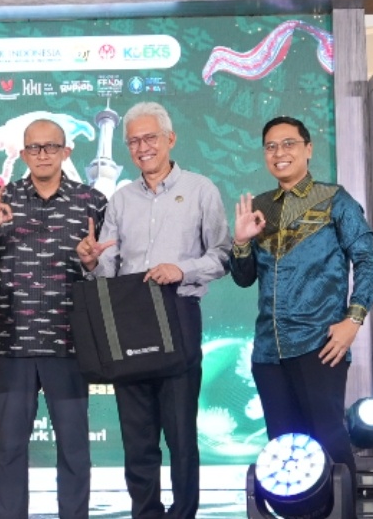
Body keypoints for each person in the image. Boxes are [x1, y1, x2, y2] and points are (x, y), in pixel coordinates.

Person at [77, 102, 231, 519]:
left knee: (180, 433)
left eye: (150, 138)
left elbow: (222, 255)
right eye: (133, 141)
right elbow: (108, 269)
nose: (142, 147)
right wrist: (91, 262)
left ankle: (183, 513)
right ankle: (145, 513)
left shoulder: (200, 190)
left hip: (178, 313)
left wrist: (182, 269)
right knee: (137, 436)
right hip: (129, 321)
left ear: (170, 139)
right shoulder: (121, 199)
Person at [229, 116, 373, 492]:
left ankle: (342, 514)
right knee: (284, 454)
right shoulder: (260, 207)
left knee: (329, 443)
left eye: (289, 144)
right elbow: (244, 278)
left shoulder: (335, 199)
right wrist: (241, 241)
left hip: (320, 343)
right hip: (268, 351)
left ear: (308, 149)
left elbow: (367, 261)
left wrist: (353, 320)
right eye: (271, 147)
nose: (279, 153)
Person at [0, 119, 108, 519]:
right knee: (10, 448)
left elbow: (108, 267)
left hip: (71, 343)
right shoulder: (1, 198)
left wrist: (92, 262)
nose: (42, 154)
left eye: (51, 147)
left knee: (75, 448)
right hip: (14, 344)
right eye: (34, 147)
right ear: (23, 153)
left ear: (66, 151)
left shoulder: (92, 201)